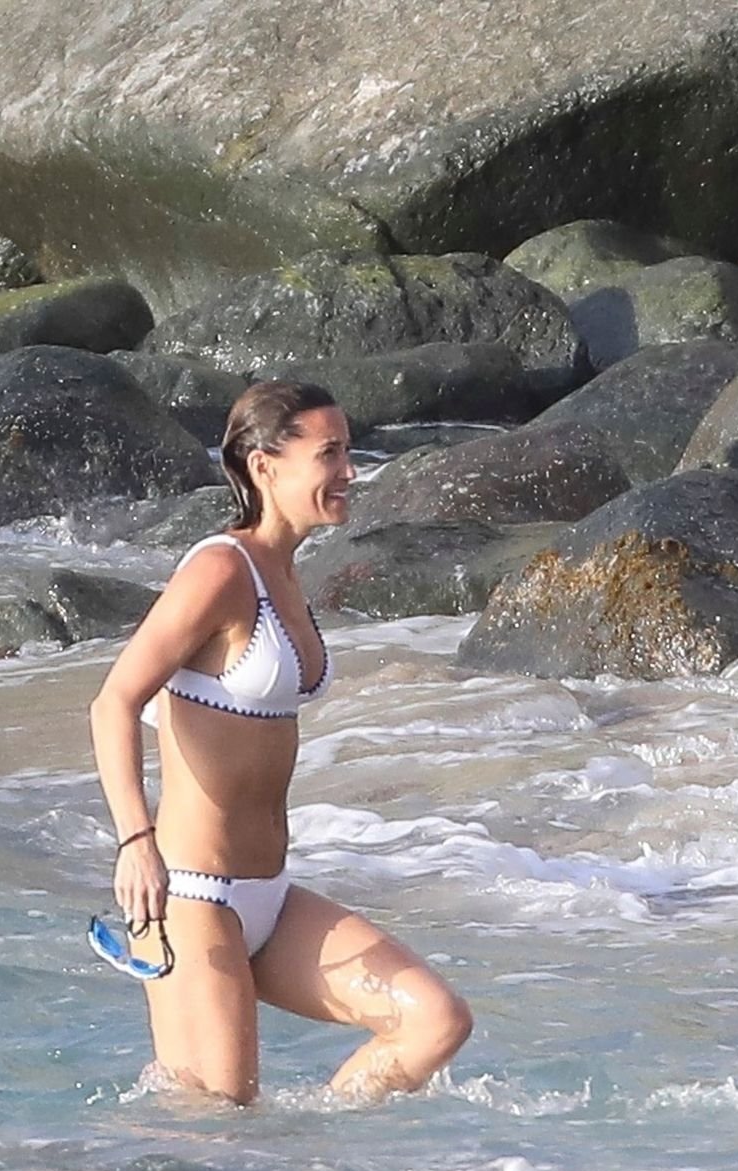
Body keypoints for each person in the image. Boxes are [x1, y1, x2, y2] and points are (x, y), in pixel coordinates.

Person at [89, 381, 472, 1104]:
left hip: (270, 895)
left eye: (349, 452)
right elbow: (114, 702)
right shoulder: (219, 570)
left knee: (434, 1021)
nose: (350, 471)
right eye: (330, 454)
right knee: (218, 1127)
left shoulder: (286, 573)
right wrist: (134, 841)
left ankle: (317, 1157)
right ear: (265, 466)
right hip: (192, 898)